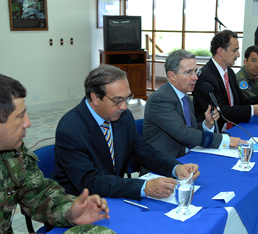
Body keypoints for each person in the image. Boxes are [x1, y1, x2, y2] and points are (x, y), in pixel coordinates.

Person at [0, 73, 110, 233]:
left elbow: (39, 194)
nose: (28, 123)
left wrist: (70, 211)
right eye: (20, 117)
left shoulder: (14, 154)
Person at [52, 64, 200, 201]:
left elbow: (142, 151)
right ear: (95, 97)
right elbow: (90, 181)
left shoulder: (122, 116)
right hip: (80, 206)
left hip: (113, 196)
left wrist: (175, 168)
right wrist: (144, 187)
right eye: (117, 100)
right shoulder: (70, 129)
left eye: (127, 98)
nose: (124, 107)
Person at [143, 49, 241, 162]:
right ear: (172, 75)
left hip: (188, 157)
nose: (195, 77)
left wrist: (206, 125)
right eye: (189, 72)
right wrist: (225, 140)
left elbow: (191, 130)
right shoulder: (160, 99)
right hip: (164, 165)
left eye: (195, 71)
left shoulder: (186, 98)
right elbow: (183, 134)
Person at [192, 30, 258, 132]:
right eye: (234, 50)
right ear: (220, 51)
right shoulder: (205, 77)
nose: (238, 55)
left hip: (234, 128)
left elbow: (241, 102)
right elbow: (220, 111)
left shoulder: (229, 72)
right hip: (215, 134)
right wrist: (253, 110)